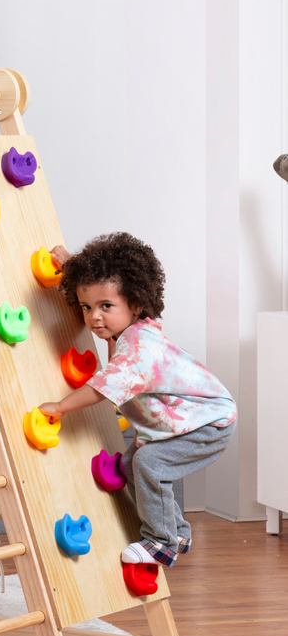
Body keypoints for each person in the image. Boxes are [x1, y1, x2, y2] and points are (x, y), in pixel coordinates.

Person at [38, 233, 236, 567]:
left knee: (149, 464)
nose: (93, 317)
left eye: (106, 307)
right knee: (132, 464)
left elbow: (102, 389)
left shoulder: (139, 349)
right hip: (182, 421)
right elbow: (101, 284)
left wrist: (58, 407)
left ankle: (161, 542)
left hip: (208, 424)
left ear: (136, 304)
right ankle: (177, 530)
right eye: (86, 307)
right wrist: (71, 266)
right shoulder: (127, 328)